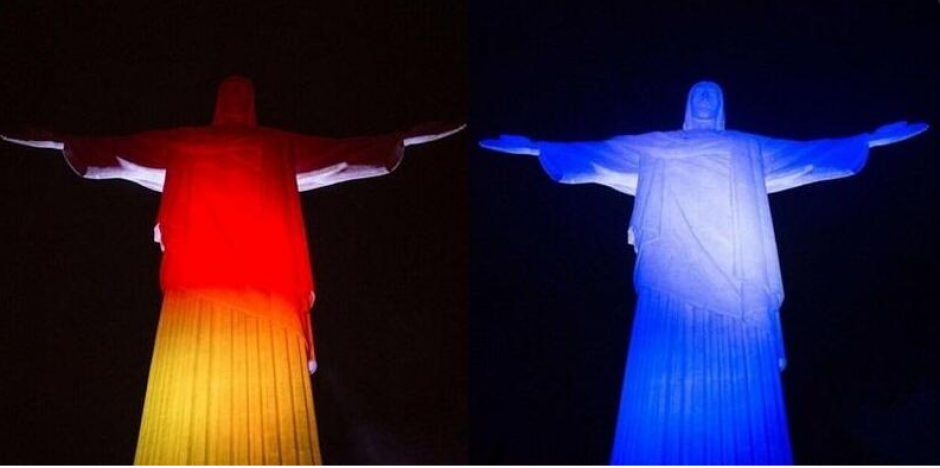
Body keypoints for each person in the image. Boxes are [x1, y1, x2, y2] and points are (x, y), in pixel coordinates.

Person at [3, 75, 463, 465]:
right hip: (216, 295)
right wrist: (61, 141)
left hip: (231, 294)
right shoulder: (236, 142)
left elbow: (342, 156)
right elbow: (343, 155)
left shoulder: (238, 143)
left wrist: (403, 139)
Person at [480, 80, 927, 464]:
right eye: (700, 93)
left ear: (723, 104)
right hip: (669, 281)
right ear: (688, 103)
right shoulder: (657, 145)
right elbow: (598, 155)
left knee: (744, 412)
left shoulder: (745, 147)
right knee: (660, 390)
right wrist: (539, 148)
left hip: (738, 286)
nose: (708, 99)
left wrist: (868, 140)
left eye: (714, 93)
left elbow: (808, 156)